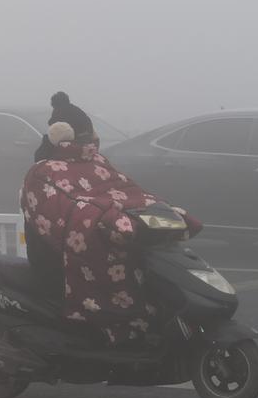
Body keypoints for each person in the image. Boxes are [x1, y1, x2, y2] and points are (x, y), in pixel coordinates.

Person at [21, 93, 201, 346]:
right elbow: (68, 213)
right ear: (62, 135)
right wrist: (107, 219)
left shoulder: (97, 161)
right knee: (107, 259)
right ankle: (112, 326)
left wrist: (155, 208)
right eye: (82, 136)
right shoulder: (43, 171)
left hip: (111, 234)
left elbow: (125, 189)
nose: (88, 141)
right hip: (54, 261)